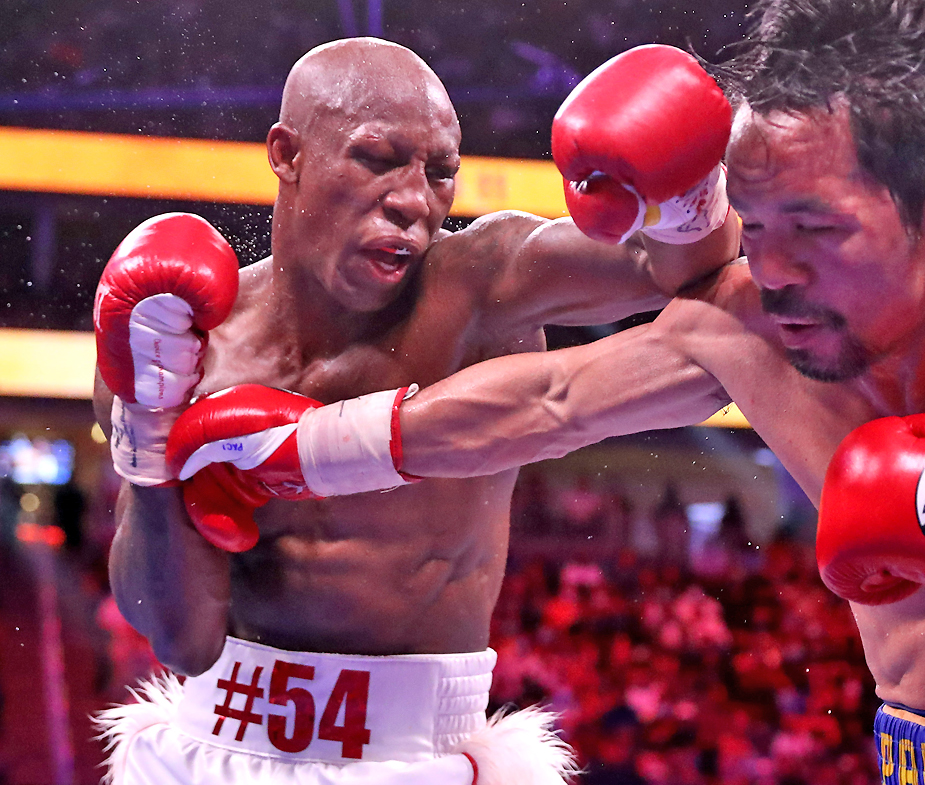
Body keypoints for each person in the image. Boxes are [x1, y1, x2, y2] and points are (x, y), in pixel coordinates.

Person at [167, 2, 925, 783]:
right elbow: (542, 400)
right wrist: (289, 450)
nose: (770, 263)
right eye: (752, 219)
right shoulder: (760, 323)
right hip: (914, 755)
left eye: (814, 227)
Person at [91, 37, 739, 784]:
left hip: (414, 755)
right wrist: (147, 441)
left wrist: (690, 193)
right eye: (376, 159)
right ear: (286, 154)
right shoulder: (185, 347)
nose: (412, 201)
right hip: (208, 748)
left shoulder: (480, 284)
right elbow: (177, 637)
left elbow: (683, 268)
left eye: (439, 173)